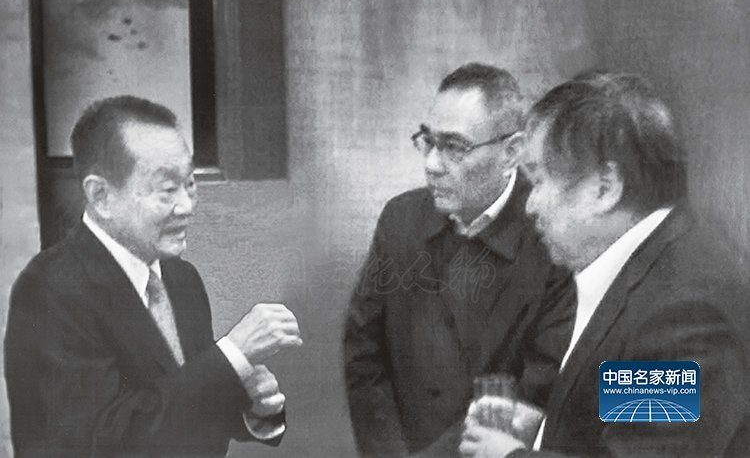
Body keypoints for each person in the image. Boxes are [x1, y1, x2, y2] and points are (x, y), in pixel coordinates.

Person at [460, 73, 749, 457]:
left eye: (539, 180)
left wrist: (509, 456)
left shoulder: (680, 314)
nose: (530, 205)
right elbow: (629, 424)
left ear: (605, 187)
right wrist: (545, 425)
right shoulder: (652, 271)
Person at [5, 96, 303, 457]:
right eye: (167, 190)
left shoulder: (182, 279)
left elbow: (186, 403)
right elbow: (100, 441)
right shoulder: (50, 290)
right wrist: (232, 354)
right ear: (101, 196)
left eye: (189, 183)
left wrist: (252, 410)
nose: (187, 206)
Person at [344, 63, 575, 457]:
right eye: (428, 141)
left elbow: (540, 384)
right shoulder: (401, 220)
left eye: (454, 147)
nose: (432, 164)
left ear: (511, 152)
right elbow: (364, 356)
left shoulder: (552, 234)